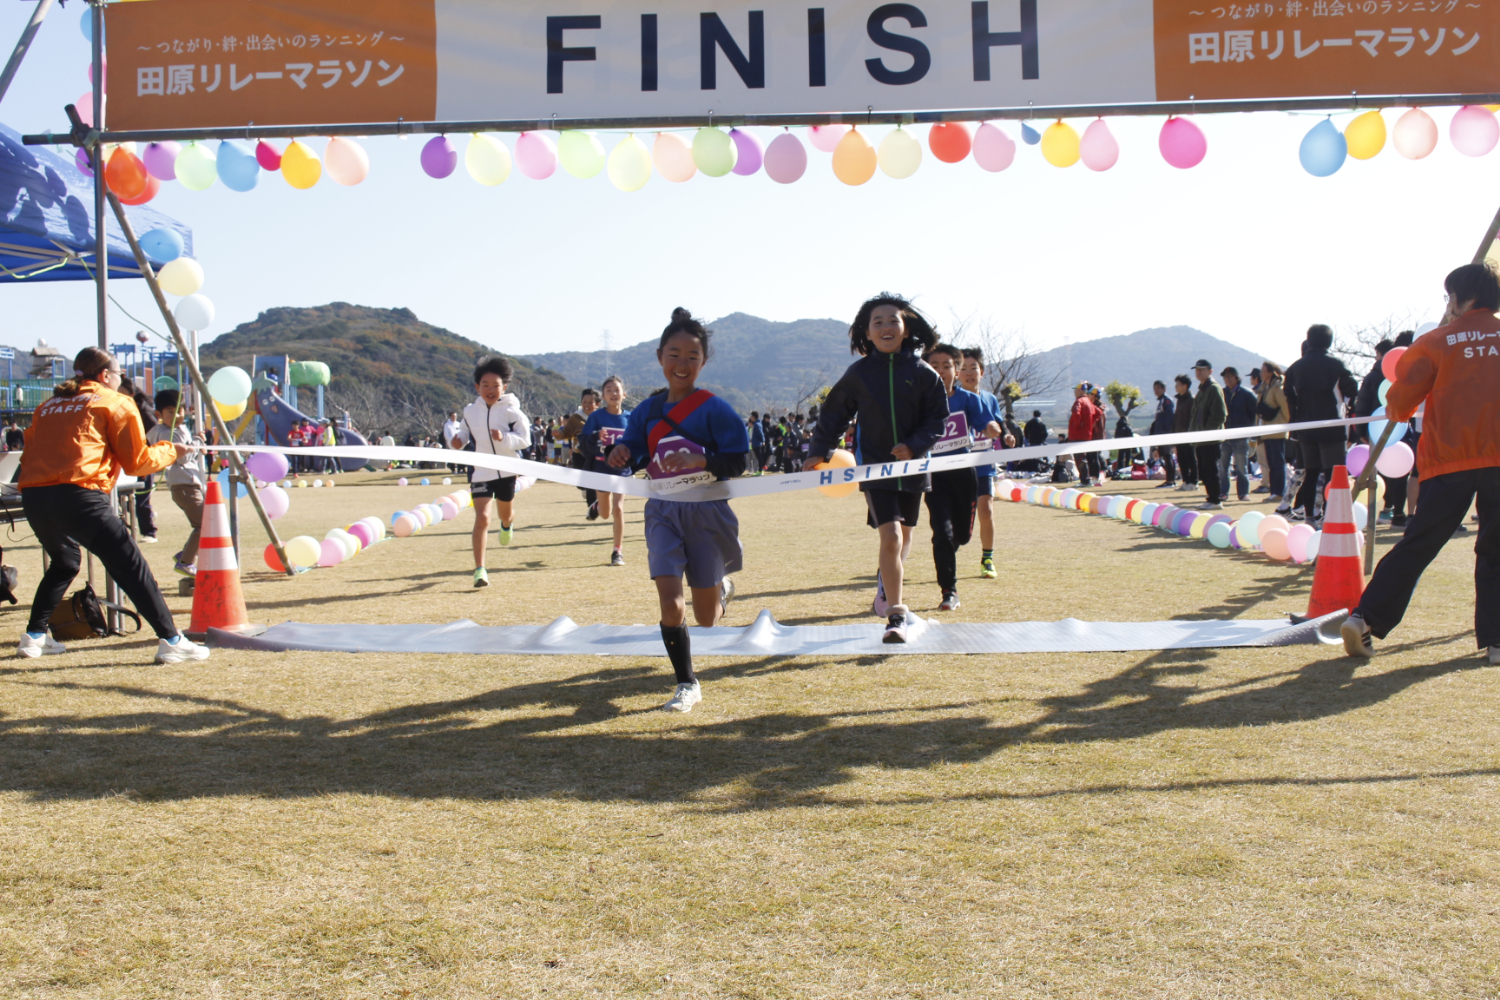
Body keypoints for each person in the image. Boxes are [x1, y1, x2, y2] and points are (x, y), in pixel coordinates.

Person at [1342, 263, 1500, 664]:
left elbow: (1398, 404)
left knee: (1419, 543)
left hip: (1449, 458)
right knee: (1496, 548)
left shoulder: (1436, 341)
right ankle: (1497, 642)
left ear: (1463, 298)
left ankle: (1365, 618)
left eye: (1450, 296)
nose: (1447, 304)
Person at [16, 347, 209, 663]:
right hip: (79, 495)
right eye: (120, 374)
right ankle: (173, 641)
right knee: (131, 565)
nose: (121, 380)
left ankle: (34, 636)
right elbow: (137, 462)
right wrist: (171, 451)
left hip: (35, 497)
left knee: (65, 562)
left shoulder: (47, 406)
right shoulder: (115, 402)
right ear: (106, 375)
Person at [607, 309, 749, 713]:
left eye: (692, 356)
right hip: (663, 513)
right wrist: (621, 452)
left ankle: (720, 589)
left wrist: (700, 460)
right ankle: (687, 683)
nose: (682, 363)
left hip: (707, 513)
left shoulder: (715, 408)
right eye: (674, 354)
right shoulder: (647, 411)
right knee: (671, 603)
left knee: (707, 618)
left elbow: (739, 460)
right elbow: (635, 449)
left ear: (703, 362)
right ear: (659, 357)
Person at [806, 293, 947, 643]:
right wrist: (818, 450)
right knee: (892, 536)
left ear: (906, 328)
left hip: (914, 469)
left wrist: (914, 445)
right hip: (874, 471)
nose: (886, 327)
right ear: (867, 332)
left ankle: (886, 582)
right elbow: (834, 413)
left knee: (905, 537)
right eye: (877, 322)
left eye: (893, 320)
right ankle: (895, 615)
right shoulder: (859, 373)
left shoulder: (923, 372)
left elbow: (937, 420)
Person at [926, 344, 1002, 609]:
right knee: (942, 533)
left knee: (961, 535)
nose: (940, 371)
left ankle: (955, 546)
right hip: (934, 476)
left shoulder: (967, 399)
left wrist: (992, 429)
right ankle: (949, 591)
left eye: (946, 366)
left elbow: (985, 424)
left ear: (955, 371)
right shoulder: (919, 400)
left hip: (964, 473)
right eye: (934, 366)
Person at [448, 355, 531, 588]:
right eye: (485, 385)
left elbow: (525, 439)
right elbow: (465, 433)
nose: (490, 390)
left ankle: (507, 524)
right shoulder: (470, 411)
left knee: (505, 514)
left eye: (496, 385)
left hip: (506, 471)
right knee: (482, 517)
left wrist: (505, 438)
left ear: (504, 387)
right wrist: (458, 440)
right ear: (477, 387)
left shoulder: (512, 411)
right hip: (481, 472)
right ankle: (480, 570)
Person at [1284, 325, 1359, 527]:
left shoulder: (1294, 368)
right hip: (1332, 427)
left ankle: (1310, 517)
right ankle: (1329, 516)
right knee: (1332, 475)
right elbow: (1352, 390)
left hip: (1305, 429)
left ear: (1309, 340)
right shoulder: (1337, 365)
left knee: (1311, 473)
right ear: (1329, 341)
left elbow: (1290, 397)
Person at [958, 347, 1012, 580]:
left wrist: (1006, 435)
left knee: (986, 509)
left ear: (982, 372)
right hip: (959, 465)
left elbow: (999, 423)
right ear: (957, 373)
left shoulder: (989, 398)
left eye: (974, 368)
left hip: (984, 463)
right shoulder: (953, 399)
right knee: (959, 515)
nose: (969, 373)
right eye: (964, 368)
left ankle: (987, 559)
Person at [146, 390, 206, 578]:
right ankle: (186, 561)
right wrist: (197, 441)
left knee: (203, 523)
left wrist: (196, 444)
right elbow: (183, 457)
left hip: (186, 484)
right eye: (170, 412)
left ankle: (186, 554)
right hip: (185, 485)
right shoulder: (169, 433)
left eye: (179, 411)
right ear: (159, 414)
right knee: (204, 525)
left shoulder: (175, 430)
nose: (177, 416)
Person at [582, 375, 632, 565]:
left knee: (618, 509)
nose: (613, 393)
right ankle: (597, 506)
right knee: (605, 513)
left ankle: (617, 551)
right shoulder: (596, 417)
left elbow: (638, 441)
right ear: (603, 396)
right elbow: (583, 440)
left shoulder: (630, 418)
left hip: (622, 470)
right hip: (601, 468)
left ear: (624, 394)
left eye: (617, 390)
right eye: (609, 390)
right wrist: (596, 436)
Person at [1188, 359, 1227, 510]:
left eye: (1202, 369)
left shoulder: (1214, 388)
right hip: (1200, 439)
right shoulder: (1202, 390)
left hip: (1210, 440)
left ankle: (1215, 500)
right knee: (1204, 471)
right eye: (1197, 370)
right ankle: (1211, 498)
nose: (1198, 372)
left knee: (1211, 470)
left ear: (1210, 371)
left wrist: (1207, 432)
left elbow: (1220, 415)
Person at [1218, 366, 1257, 502]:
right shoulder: (1221, 394)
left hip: (1241, 436)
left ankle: (1243, 493)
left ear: (1236, 377)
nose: (1227, 379)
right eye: (1225, 377)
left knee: (1241, 466)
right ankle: (1223, 492)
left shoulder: (1247, 394)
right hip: (1224, 436)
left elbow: (1254, 415)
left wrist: (1250, 432)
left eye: (1230, 376)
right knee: (1223, 466)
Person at [1255, 361, 1291, 503]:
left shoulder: (1278, 388)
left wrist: (1284, 425)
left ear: (1271, 372)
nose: (1260, 373)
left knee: (1278, 463)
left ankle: (1279, 492)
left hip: (1277, 431)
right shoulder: (1264, 388)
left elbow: (1286, 408)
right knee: (1271, 464)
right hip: (1266, 431)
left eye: (1263, 371)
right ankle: (1274, 491)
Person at [1067, 383, 1101, 486]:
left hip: (1077, 435)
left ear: (1079, 390)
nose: (1074, 392)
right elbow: (1099, 412)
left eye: (1075, 389)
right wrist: (1091, 423)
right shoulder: (1088, 401)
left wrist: (1076, 427)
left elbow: (1076, 414)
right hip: (1087, 434)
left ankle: (1085, 480)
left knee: (1080, 458)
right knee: (1083, 457)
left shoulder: (1079, 401)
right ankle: (1086, 479)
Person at [1171, 374, 1197, 492]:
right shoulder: (1179, 400)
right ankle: (1186, 481)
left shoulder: (1191, 400)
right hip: (1179, 435)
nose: (1176, 386)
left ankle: (1194, 482)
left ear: (1185, 386)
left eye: (1178, 384)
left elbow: (1193, 418)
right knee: (1181, 460)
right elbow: (1176, 418)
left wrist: (1191, 434)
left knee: (1191, 459)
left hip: (1189, 435)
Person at [1148, 380, 1177, 487]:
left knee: (1168, 457)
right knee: (1165, 457)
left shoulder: (1167, 401)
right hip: (1160, 435)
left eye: (1158, 388)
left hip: (1166, 435)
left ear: (1164, 389)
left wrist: (1167, 434)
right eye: (1155, 389)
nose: (1156, 391)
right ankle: (1170, 480)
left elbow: (1169, 419)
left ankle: (1170, 481)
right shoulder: (1161, 402)